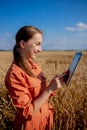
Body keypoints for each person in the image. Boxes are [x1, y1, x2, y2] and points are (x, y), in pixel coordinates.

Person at [5, 25, 68, 130]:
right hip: (31, 125)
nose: (40, 49)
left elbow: (40, 95)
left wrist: (55, 83)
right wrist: (49, 89)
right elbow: (27, 112)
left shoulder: (34, 66)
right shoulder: (14, 74)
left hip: (45, 120)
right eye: (37, 44)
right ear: (23, 44)